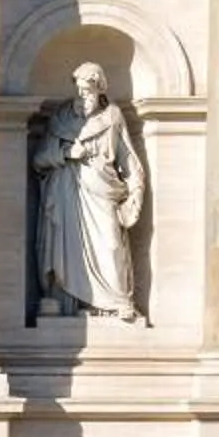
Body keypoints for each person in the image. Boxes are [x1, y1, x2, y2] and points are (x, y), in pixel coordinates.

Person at [34, 61, 145, 323]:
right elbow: (39, 159)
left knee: (110, 244)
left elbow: (128, 159)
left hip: (102, 191)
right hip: (66, 194)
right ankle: (63, 300)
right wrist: (65, 153)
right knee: (66, 249)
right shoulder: (61, 120)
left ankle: (117, 302)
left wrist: (136, 190)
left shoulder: (113, 117)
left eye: (89, 91)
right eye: (80, 90)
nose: (83, 97)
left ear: (100, 89)